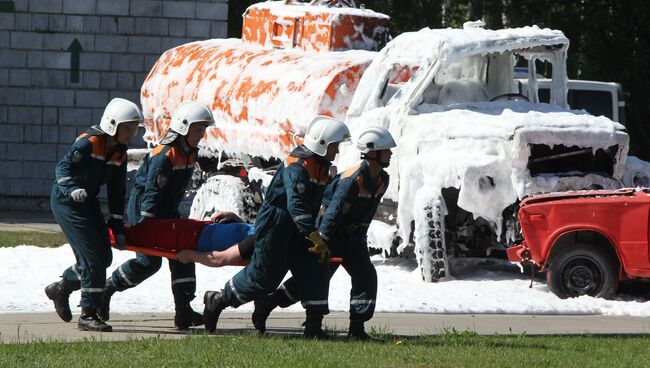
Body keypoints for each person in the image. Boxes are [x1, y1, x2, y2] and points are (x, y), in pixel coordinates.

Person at [202, 116, 351, 338]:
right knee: (262, 279)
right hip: (277, 228)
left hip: (301, 229)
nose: (336, 151)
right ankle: (217, 300)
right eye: (334, 146)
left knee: (317, 268)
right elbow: (296, 205)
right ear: (321, 144)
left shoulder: (321, 166)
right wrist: (314, 235)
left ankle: (313, 329)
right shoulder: (297, 167)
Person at [251, 127, 396, 340]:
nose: (390, 154)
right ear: (372, 152)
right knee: (313, 280)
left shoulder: (383, 179)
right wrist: (323, 241)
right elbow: (333, 213)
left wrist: (360, 239)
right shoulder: (352, 180)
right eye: (386, 150)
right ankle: (269, 302)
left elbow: (368, 212)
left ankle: (357, 329)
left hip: (353, 239)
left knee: (366, 275)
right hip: (331, 235)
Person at [98, 101, 214, 329]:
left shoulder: (190, 153)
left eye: (203, 129)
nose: (202, 134)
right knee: (149, 262)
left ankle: (184, 311)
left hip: (167, 211)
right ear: (184, 127)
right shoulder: (165, 154)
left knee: (184, 254)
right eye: (198, 129)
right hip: (146, 208)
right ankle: (106, 290)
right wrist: (145, 223)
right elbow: (152, 191)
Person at [44, 98, 143, 332]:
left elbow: (117, 192)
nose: (131, 133)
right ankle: (88, 313)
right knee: (92, 260)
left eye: (134, 128)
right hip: (67, 202)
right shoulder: (88, 143)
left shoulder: (120, 152)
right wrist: (71, 189)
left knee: (104, 259)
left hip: (87, 202)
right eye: (127, 128)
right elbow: (63, 168)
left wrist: (117, 227)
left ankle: (62, 288)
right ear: (112, 124)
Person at [118, 212, 255, 267]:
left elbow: (219, 259)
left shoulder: (260, 241)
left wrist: (190, 256)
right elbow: (248, 232)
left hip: (189, 239)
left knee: (133, 235)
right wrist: (235, 218)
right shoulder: (270, 229)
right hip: (199, 227)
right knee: (137, 231)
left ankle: (103, 235)